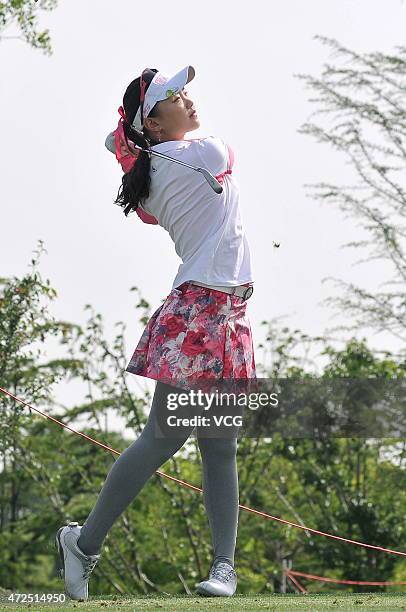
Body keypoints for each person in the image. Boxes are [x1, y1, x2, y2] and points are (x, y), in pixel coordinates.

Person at [55, 65, 256, 601]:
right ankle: (84, 542)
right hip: (200, 309)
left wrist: (126, 142)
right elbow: (223, 153)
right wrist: (127, 141)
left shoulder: (152, 171)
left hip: (226, 311)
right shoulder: (204, 154)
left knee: (221, 446)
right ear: (156, 123)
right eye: (173, 96)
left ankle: (223, 568)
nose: (187, 99)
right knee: (165, 438)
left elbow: (131, 160)